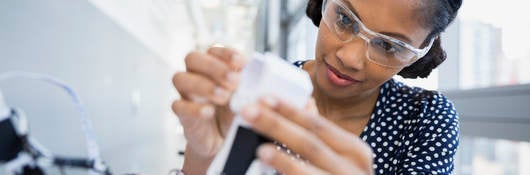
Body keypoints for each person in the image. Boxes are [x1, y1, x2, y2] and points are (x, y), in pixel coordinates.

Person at [171, 0, 462, 174]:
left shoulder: (425, 118)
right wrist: (203, 155)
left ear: (420, 51)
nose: (349, 58)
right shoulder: (262, 88)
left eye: (387, 45)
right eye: (345, 19)